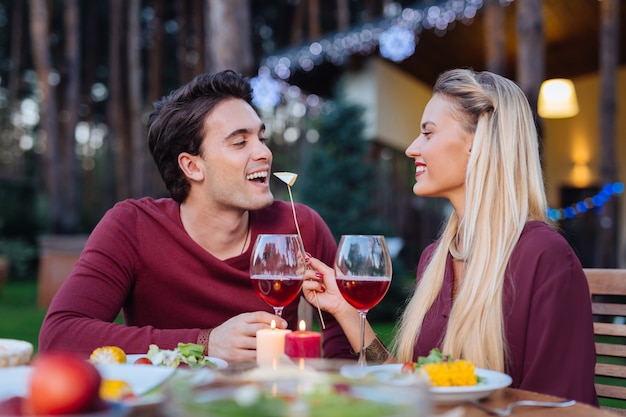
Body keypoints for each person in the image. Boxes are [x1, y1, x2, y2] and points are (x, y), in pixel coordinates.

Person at [302, 68, 598, 405]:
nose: (412, 149)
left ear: (477, 143)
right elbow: (410, 390)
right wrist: (344, 308)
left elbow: (556, 407)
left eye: (428, 133)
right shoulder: (436, 258)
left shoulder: (544, 256)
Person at [38, 70, 352, 362]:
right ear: (192, 166)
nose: (264, 153)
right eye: (240, 142)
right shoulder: (132, 227)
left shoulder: (300, 226)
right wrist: (206, 342)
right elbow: (59, 336)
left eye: (261, 138)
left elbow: (348, 356)